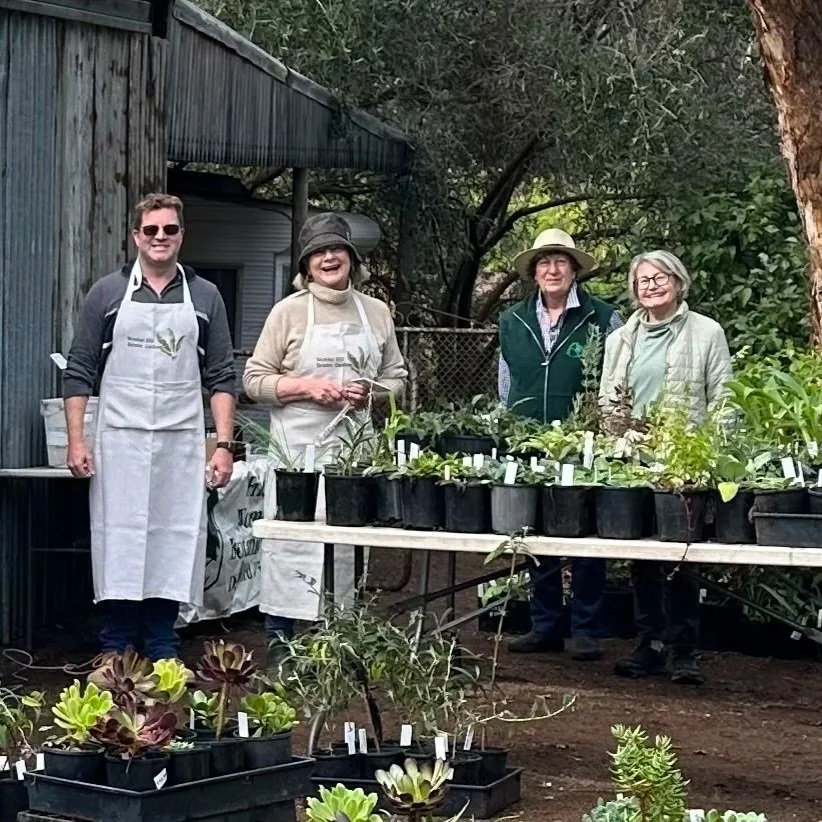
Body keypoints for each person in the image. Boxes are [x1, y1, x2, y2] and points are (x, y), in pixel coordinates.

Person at [63, 193, 237, 661]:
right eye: (152, 230)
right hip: (120, 438)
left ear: (182, 235)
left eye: (170, 230)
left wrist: (223, 445)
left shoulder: (204, 296)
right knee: (119, 534)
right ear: (135, 236)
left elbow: (221, 375)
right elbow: (79, 370)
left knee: (173, 534)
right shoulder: (106, 293)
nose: (160, 238)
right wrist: (77, 439)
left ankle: (163, 644)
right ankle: (116, 644)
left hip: (181, 440)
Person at [243, 213, 407, 665]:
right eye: (318, 252)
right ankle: (283, 652)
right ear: (306, 264)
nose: (329, 257)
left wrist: (369, 393)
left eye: (337, 250)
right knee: (290, 548)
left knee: (346, 551)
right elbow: (255, 380)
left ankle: (336, 653)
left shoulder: (375, 312)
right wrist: (306, 387)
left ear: (352, 259)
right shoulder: (288, 312)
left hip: (352, 455)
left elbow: (396, 377)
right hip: (297, 453)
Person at [599, 249, 732, 685]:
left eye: (660, 278)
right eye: (643, 281)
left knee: (682, 554)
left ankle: (684, 650)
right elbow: (606, 400)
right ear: (634, 290)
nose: (651, 286)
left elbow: (724, 399)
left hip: (683, 460)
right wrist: (617, 440)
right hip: (631, 459)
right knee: (641, 555)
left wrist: (708, 451)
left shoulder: (706, 332)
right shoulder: (620, 340)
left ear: (678, 282)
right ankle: (648, 645)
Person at [498, 228, 623, 661]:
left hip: (584, 441)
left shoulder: (603, 317)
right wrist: (510, 426)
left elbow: (616, 377)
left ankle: (586, 628)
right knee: (535, 533)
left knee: (585, 534)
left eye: (561, 261)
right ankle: (545, 624)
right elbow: (506, 380)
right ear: (534, 273)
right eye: (544, 262)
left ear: (575, 271)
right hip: (528, 439)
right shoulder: (512, 320)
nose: (553, 269)